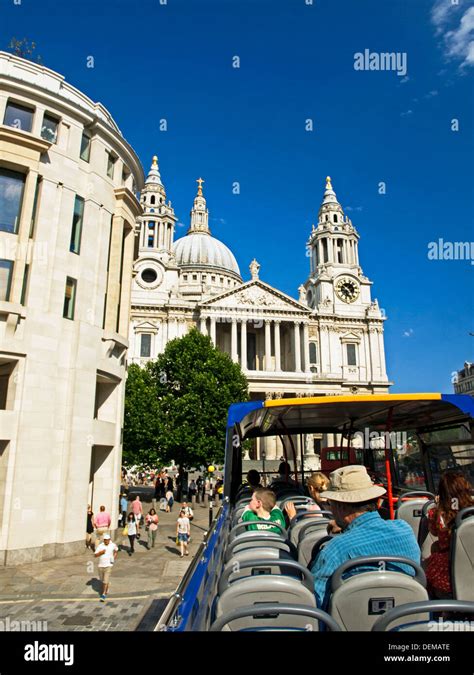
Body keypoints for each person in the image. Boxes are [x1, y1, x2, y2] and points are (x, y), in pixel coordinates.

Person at [310, 465, 421, 609]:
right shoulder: (405, 530)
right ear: (375, 501)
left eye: (332, 504)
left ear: (341, 506)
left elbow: (314, 603)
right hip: (406, 619)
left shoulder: (336, 549)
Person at [425, 471, 473, 598]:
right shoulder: (471, 510)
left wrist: (437, 505)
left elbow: (434, 532)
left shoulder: (439, 514)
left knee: (434, 552)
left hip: (450, 565)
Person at [94, 532, 118, 601]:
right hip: (101, 566)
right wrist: (101, 553)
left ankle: (103, 594)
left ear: (109, 539)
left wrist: (114, 557)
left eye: (107, 539)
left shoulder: (112, 545)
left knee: (105, 581)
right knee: (103, 581)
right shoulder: (100, 546)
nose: (106, 541)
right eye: (105, 540)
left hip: (108, 566)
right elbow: (95, 555)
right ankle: (107, 585)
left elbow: (116, 550)